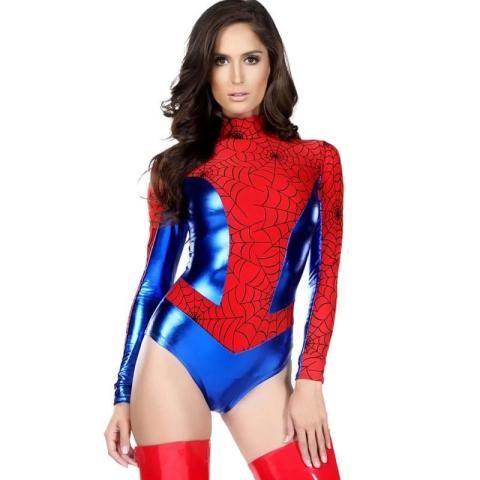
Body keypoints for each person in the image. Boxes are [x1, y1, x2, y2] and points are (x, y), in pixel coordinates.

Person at [104, 1, 344, 478]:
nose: (236, 77)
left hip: (265, 370)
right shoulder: (176, 166)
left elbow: (325, 275)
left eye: (250, 59)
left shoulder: (318, 161)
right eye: (220, 60)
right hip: (176, 356)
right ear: (205, 69)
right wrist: (123, 393)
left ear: (272, 64)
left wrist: (311, 380)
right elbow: (154, 282)